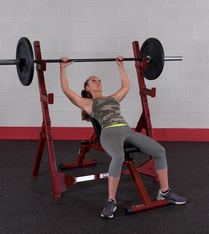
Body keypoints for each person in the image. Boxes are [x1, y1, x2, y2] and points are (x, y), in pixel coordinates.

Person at [60, 56, 186, 218]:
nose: (98, 82)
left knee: (160, 150)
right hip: (109, 132)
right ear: (87, 88)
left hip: (127, 131)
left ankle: (164, 191)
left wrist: (121, 66)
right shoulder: (87, 103)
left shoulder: (113, 98)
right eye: (93, 81)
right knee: (118, 156)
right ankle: (111, 201)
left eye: (99, 80)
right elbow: (66, 90)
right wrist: (63, 68)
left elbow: (126, 86)